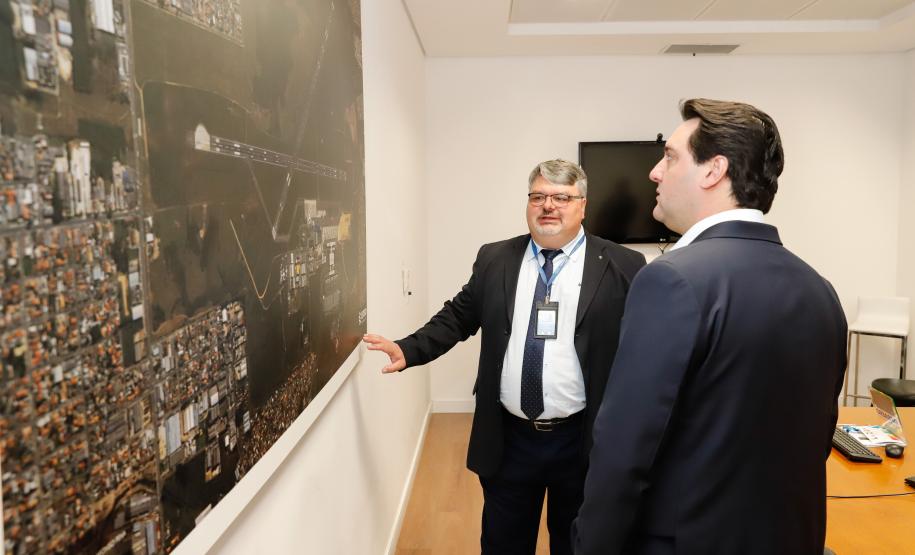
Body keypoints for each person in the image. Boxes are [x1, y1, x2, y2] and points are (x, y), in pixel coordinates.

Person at [571, 99, 848, 554]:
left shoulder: (671, 279)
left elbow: (624, 454)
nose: (654, 173)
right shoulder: (819, 288)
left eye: (671, 156)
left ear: (713, 170)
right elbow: (813, 439)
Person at [364, 159, 645, 554]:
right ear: (528, 203)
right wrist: (408, 349)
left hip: (583, 440)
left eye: (561, 197)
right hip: (510, 438)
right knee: (503, 543)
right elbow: (459, 316)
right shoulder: (496, 258)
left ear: (582, 205)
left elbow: (642, 346)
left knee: (578, 543)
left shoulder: (624, 265)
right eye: (539, 196)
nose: (548, 206)